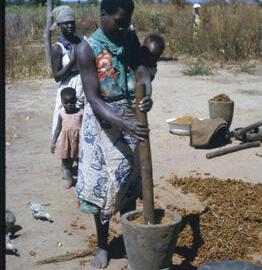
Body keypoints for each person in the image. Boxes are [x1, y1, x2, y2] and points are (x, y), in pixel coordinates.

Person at [75, 0, 153, 268]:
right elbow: (94, 100)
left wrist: (147, 91)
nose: (124, 27)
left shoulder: (129, 37)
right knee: (105, 188)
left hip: (131, 116)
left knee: (130, 184)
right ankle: (102, 245)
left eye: (127, 22)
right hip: (103, 124)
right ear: (103, 14)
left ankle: (130, 239)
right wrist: (125, 123)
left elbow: (141, 67)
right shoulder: (87, 48)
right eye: (119, 21)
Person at [50, 5, 85, 139]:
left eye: (72, 22)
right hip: (68, 88)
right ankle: (63, 150)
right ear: (59, 25)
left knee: (82, 119)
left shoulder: (82, 41)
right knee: (65, 120)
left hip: (84, 83)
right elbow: (57, 77)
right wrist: (71, 62)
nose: (70, 25)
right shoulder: (58, 48)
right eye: (66, 23)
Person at [51, 87, 83, 189]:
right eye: (66, 102)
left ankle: (83, 179)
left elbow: (85, 128)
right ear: (62, 101)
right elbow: (57, 129)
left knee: (81, 162)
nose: (69, 105)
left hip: (78, 143)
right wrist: (53, 142)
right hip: (66, 143)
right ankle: (70, 180)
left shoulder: (81, 113)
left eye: (71, 102)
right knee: (66, 163)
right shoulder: (62, 114)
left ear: (76, 100)